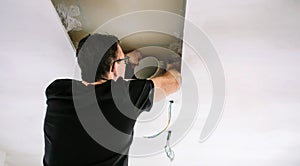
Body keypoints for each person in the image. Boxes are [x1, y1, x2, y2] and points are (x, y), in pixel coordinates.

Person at [43, 34, 181, 166]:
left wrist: (121, 60)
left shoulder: (57, 91)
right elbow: (174, 82)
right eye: (122, 61)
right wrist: (171, 60)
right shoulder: (125, 96)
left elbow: (105, 83)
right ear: (114, 67)